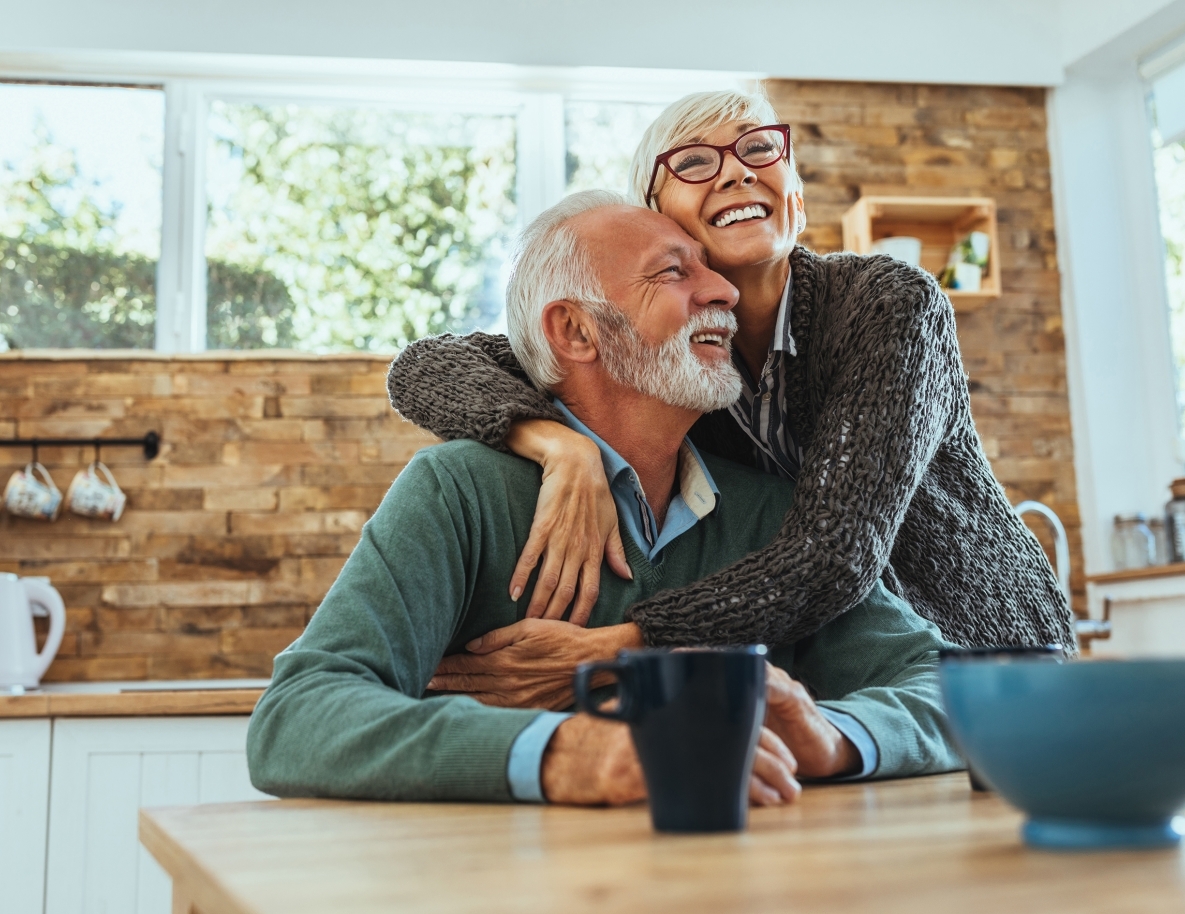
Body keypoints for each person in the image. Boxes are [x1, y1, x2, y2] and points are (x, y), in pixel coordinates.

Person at [246, 192, 962, 805]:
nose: (724, 292)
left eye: (709, 270)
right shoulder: (459, 492)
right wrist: (569, 753)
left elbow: (947, 688)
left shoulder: (772, 514)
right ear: (576, 330)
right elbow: (297, 717)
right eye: (674, 273)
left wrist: (832, 737)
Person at [386, 89, 1075, 669]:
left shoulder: (888, 305)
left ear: (795, 196)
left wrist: (624, 644)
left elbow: (833, 554)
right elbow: (427, 365)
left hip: (988, 654)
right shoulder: (670, 357)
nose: (737, 173)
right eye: (693, 161)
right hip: (844, 671)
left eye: (758, 149)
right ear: (655, 216)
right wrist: (556, 445)